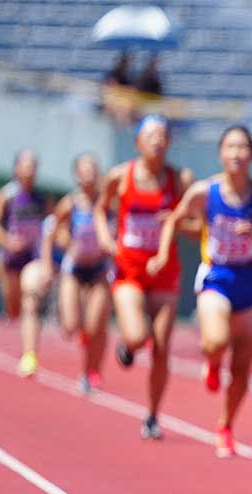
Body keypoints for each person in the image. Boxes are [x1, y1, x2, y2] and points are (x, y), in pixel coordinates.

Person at [147, 125, 252, 457]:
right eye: (230, 147)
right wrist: (164, 254)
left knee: (240, 368)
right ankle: (211, 360)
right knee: (216, 340)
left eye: (242, 148)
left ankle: (225, 426)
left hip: (250, 283)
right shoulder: (203, 191)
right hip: (215, 277)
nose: (236, 153)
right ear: (221, 153)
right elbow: (174, 220)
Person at [94, 115, 194, 440]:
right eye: (150, 135)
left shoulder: (180, 179)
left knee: (162, 347)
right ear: (138, 142)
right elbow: (99, 210)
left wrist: (177, 222)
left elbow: (198, 226)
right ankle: (128, 344)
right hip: (129, 269)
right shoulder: (120, 176)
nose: (157, 140)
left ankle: (152, 415)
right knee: (139, 336)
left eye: (163, 135)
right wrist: (107, 239)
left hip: (165, 272)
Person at [39, 154, 112, 392]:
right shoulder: (69, 204)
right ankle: (85, 339)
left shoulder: (108, 202)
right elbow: (52, 234)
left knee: (96, 324)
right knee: (71, 326)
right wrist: (49, 265)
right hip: (75, 268)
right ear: (77, 175)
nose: (90, 173)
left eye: (93, 168)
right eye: (85, 169)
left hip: (100, 268)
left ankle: (91, 371)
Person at [0, 150, 53, 377]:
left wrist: (46, 262)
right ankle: (21, 330)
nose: (30, 169)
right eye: (26, 165)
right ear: (17, 169)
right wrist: (8, 241)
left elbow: (50, 230)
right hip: (9, 261)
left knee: (30, 302)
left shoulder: (43, 198)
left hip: (31, 259)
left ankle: (29, 356)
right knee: (14, 310)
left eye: (34, 165)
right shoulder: (7, 196)